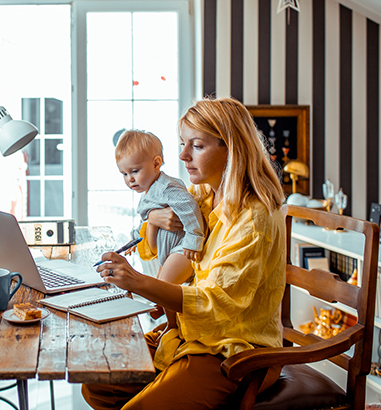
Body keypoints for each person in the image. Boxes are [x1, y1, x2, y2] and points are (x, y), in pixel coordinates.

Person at [82, 97, 287, 410]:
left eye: (197, 146)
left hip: (236, 352)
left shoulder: (253, 218)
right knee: (96, 386)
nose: (182, 155)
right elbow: (155, 249)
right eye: (182, 144)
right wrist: (151, 218)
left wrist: (137, 282)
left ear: (231, 148)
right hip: (192, 335)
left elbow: (214, 302)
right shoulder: (203, 196)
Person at [114, 130, 206, 327]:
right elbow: (144, 222)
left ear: (156, 164)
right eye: (124, 174)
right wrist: (133, 240)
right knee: (160, 294)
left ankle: (172, 328)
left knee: (163, 289)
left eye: (135, 171)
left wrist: (193, 240)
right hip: (169, 253)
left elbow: (190, 209)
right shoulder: (150, 191)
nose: (130, 179)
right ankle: (169, 324)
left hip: (182, 250)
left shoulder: (167, 188)